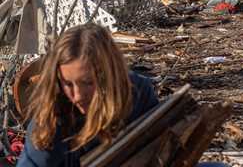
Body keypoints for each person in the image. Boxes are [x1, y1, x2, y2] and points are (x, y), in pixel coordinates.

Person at [17, 23, 227, 166]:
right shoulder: (51, 120)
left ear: (109, 74)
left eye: (88, 82)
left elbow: (158, 145)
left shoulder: (137, 92)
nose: (78, 95)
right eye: (67, 83)